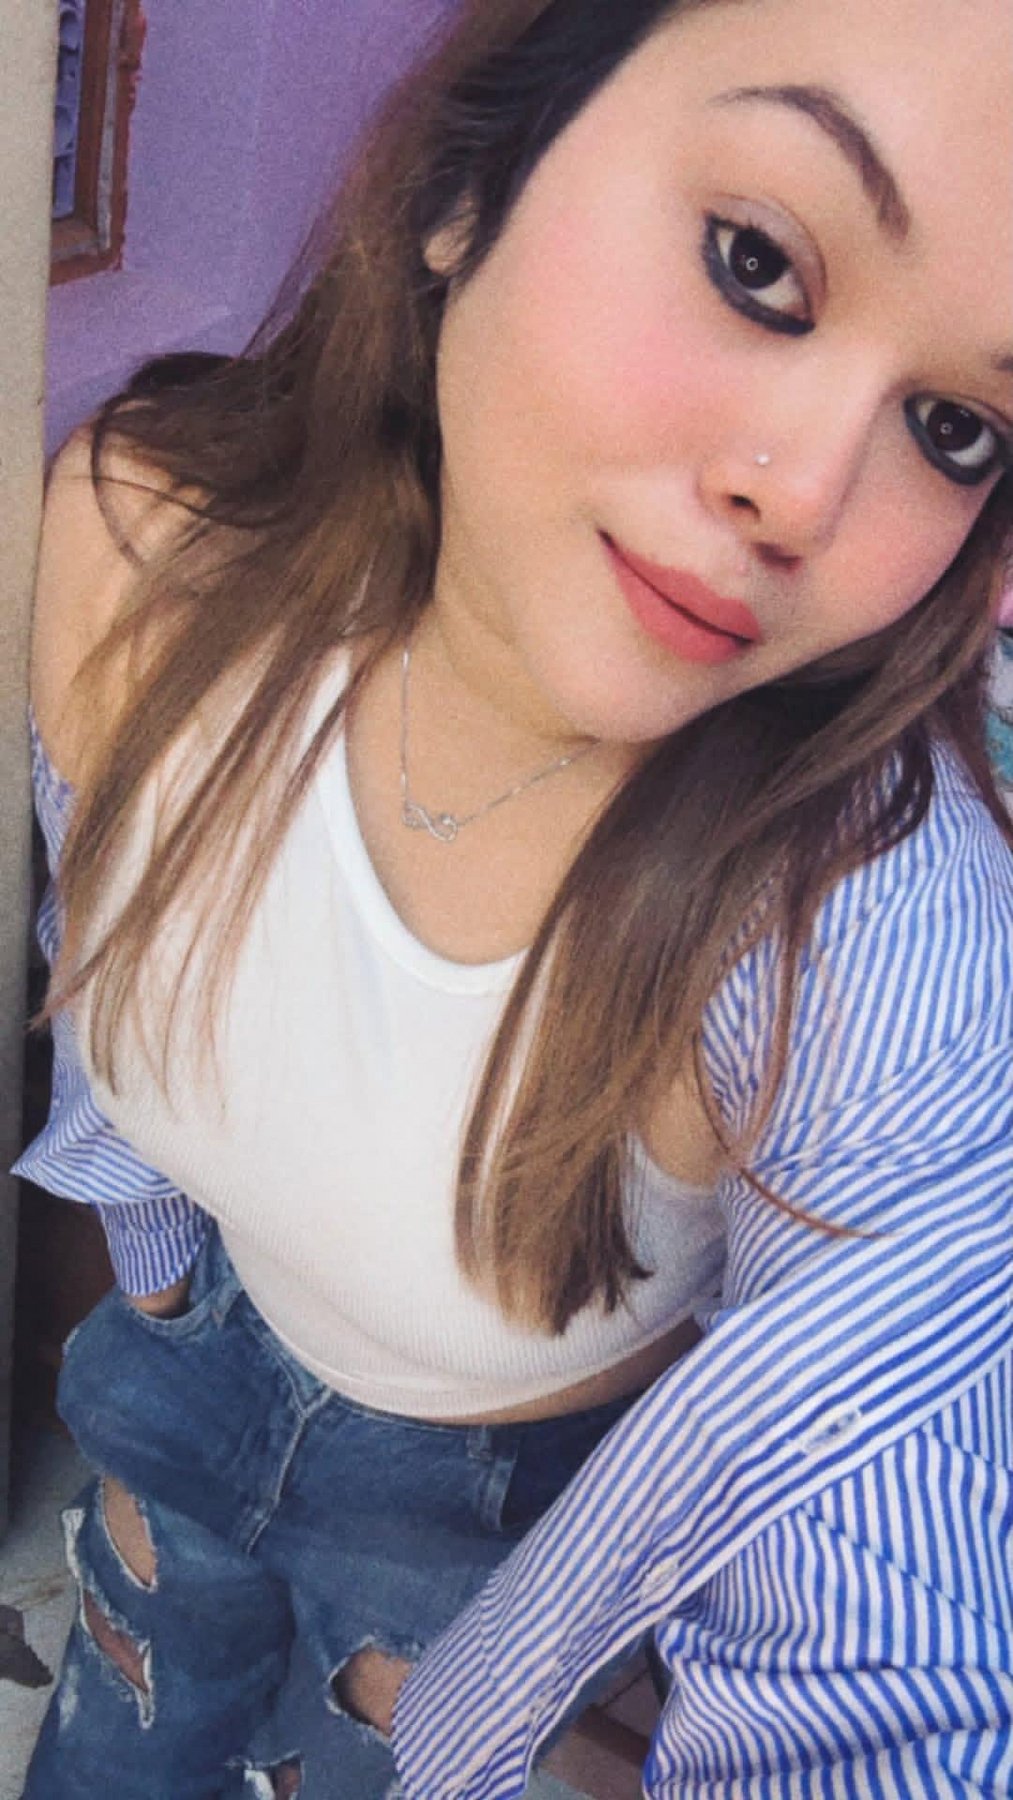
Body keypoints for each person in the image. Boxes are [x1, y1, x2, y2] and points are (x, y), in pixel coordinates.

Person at [17, 0, 1013, 1793]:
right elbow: (92, 961)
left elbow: (900, 1648)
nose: (798, 494)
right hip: (187, 1361)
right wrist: (156, 1294)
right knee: (121, 1740)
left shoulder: (858, 934)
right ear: (470, 184)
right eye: (755, 263)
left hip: (475, 1530)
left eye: (954, 429)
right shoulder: (135, 543)